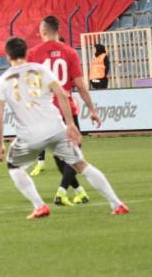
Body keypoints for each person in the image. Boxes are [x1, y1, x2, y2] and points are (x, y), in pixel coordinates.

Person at [0, 37, 128, 219]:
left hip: (29, 135)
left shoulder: (2, 81)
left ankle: (39, 206)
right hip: (55, 128)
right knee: (81, 165)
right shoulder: (42, 70)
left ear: (7, 55)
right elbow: (62, 95)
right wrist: (70, 124)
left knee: (14, 166)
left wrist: (0, 145)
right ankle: (117, 203)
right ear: (26, 52)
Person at [27, 15, 103, 207]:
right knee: (74, 153)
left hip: (44, 111)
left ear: (43, 31)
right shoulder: (69, 52)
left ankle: (79, 192)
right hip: (65, 107)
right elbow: (80, 85)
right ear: (57, 30)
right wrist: (92, 109)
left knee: (59, 154)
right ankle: (63, 191)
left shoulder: (33, 53)